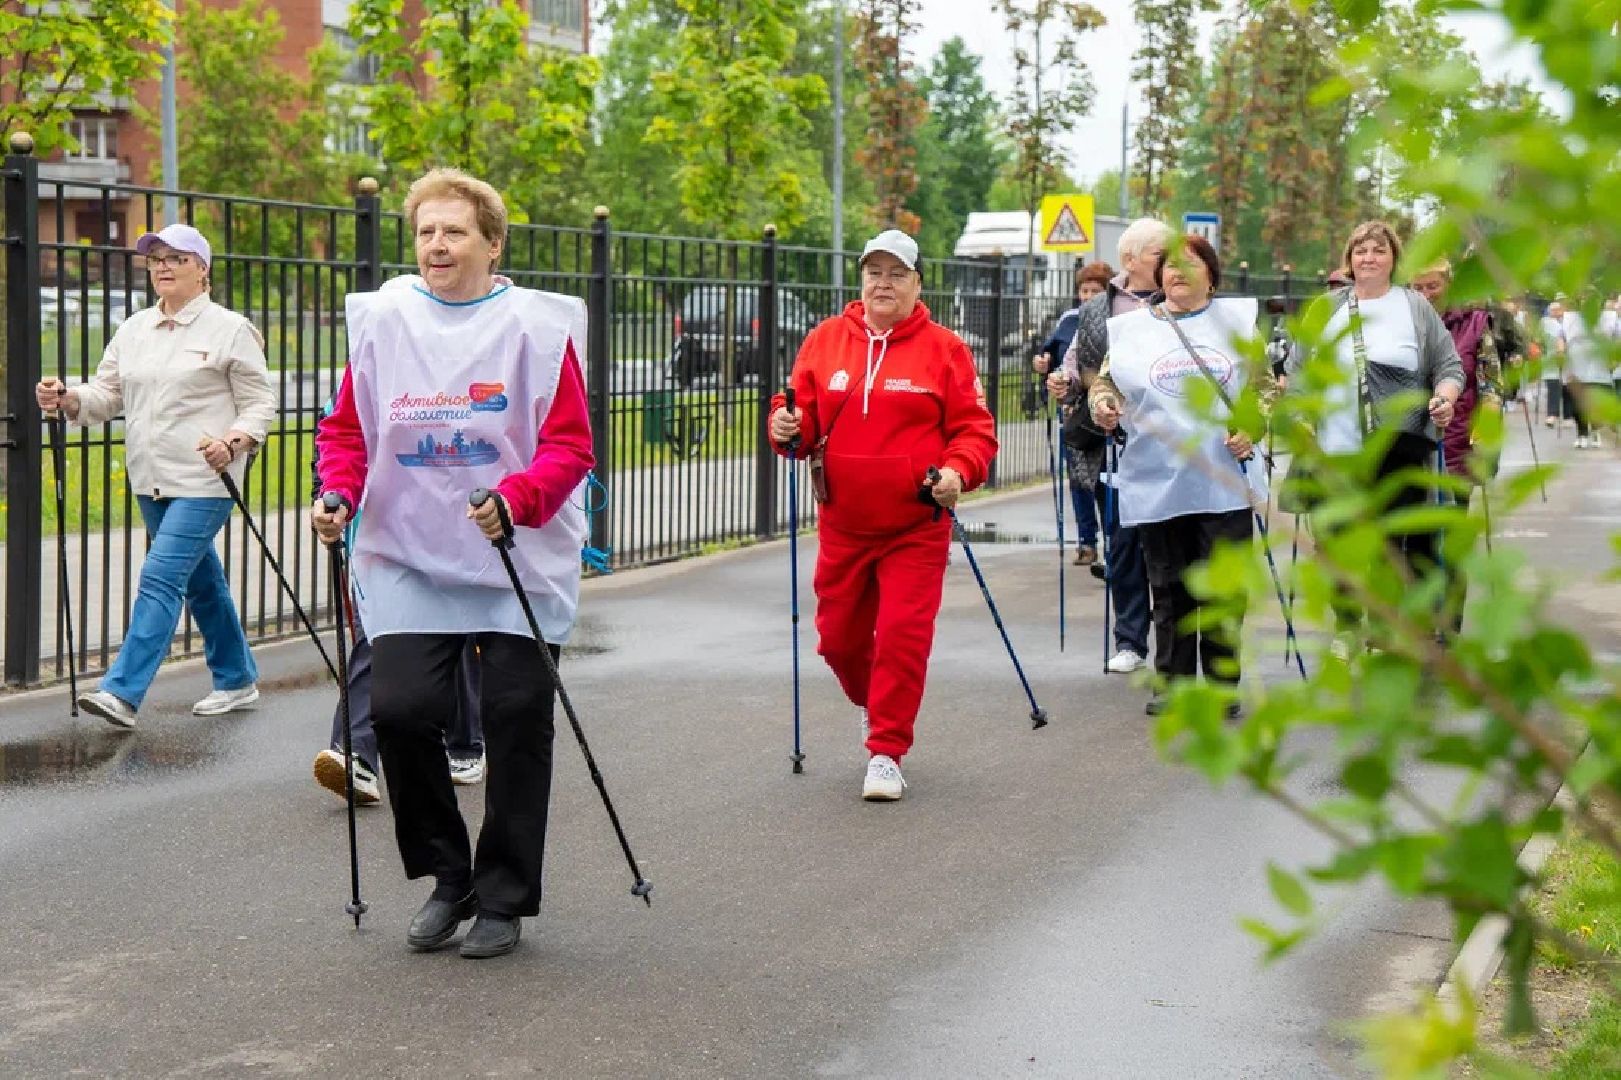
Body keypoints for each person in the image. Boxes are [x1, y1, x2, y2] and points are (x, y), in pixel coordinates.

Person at [311, 167, 593, 960]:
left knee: (513, 722)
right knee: (398, 712)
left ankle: (504, 896)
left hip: (515, 554)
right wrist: (336, 490)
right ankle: (448, 877)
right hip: (408, 551)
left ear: (492, 242)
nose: (437, 244)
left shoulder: (534, 329)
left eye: (455, 230)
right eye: (426, 231)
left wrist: (520, 495)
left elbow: (571, 445)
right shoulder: (387, 321)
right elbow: (347, 431)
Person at [767, 228, 998, 802]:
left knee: (900, 638)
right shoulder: (825, 340)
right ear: (861, 279)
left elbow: (975, 430)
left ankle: (887, 751)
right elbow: (798, 415)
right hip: (844, 524)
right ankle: (875, 703)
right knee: (838, 642)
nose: (884, 283)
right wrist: (785, 429)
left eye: (897, 273)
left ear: (918, 284)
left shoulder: (945, 349)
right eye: (875, 272)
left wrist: (956, 473)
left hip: (915, 525)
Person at [35, 223, 276, 729]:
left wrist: (232, 442)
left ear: (202, 270)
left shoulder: (230, 329)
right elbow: (109, 395)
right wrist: (69, 399)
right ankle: (236, 678)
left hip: (207, 478)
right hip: (150, 477)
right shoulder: (134, 329)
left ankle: (121, 692)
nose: (162, 266)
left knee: (161, 576)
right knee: (202, 583)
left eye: (176, 258)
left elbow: (259, 404)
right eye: (155, 259)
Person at [1087, 237, 1265, 715]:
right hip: (1157, 476)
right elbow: (1105, 382)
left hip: (1223, 478)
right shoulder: (1130, 331)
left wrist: (1251, 426)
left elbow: (1264, 390)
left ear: (1212, 275)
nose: (1177, 274)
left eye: (1190, 266)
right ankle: (1174, 682)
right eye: (1168, 267)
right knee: (1168, 585)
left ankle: (1224, 685)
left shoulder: (1237, 327)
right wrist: (1103, 405)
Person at [1283, 221, 1464, 651]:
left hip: (1399, 444)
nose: (1369, 258)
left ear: (1394, 259)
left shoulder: (1414, 307)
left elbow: (1449, 367)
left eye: (1379, 250)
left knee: (1394, 540)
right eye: (1360, 250)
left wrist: (1444, 397)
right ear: (1348, 260)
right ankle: (1347, 626)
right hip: (1334, 446)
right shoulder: (1324, 310)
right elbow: (1298, 372)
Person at [1049, 218, 1175, 675]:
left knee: (1168, 547)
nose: (1172, 260)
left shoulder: (1177, 300)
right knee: (1123, 543)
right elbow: (1075, 361)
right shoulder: (1099, 308)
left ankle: (1174, 643)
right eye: (1162, 252)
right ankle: (1130, 640)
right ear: (1132, 259)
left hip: (1171, 441)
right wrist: (1062, 382)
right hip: (1115, 443)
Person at [1031, 261, 1113, 565]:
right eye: (1084, 290)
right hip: (1074, 414)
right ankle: (1086, 543)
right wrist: (1043, 366)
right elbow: (1049, 356)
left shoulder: (1116, 319)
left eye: (1096, 290)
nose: (1089, 296)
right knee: (1078, 480)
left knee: (1104, 481)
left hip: (1106, 414)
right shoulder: (1068, 320)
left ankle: (1112, 544)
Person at [1409, 261, 1502, 478]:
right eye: (1418, 288)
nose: (1425, 295)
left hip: (1459, 440)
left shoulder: (1474, 323)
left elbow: (1491, 385)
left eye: (1433, 286)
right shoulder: (1400, 322)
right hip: (1411, 443)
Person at [1562, 301, 1614, 449]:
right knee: (1579, 403)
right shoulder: (1570, 319)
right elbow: (1561, 338)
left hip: (1599, 368)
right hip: (1577, 366)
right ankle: (1582, 433)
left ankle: (1596, 430)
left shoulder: (1608, 318)